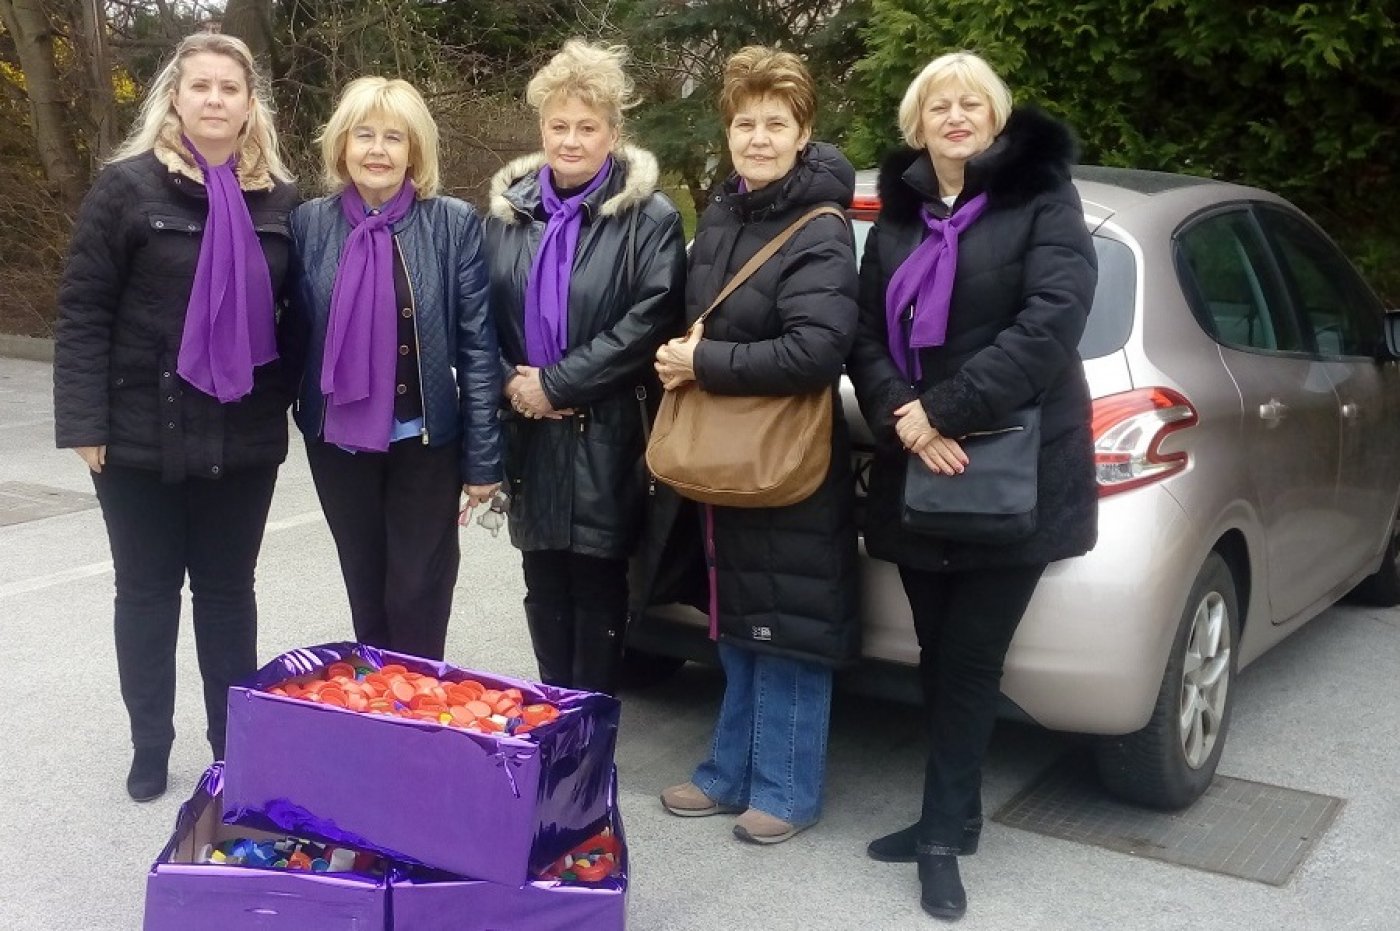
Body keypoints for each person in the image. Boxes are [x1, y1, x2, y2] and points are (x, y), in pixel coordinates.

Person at [845, 51, 1098, 920]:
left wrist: (943, 410)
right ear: (917, 125)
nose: (956, 116)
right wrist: (906, 417)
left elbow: (1051, 322)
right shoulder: (898, 218)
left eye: (972, 104)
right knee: (936, 652)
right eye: (939, 105)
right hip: (920, 463)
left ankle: (940, 841)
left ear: (996, 117)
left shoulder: (1044, 200)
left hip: (1016, 467)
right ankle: (953, 813)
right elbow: (863, 332)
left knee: (971, 659)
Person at [52, 33, 299, 801]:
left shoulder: (282, 202)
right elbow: (83, 308)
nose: (215, 99)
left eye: (230, 88)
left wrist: (286, 405)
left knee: (227, 595)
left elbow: (300, 321)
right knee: (146, 593)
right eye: (201, 86)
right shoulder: (125, 190)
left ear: (250, 105)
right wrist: (84, 421)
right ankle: (150, 745)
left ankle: (232, 749)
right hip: (135, 434)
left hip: (241, 436)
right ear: (175, 97)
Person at [654, 46, 860, 844]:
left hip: (788, 456)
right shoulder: (725, 217)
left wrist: (701, 361)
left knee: (790, 624)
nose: (759, 138)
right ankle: (728, 772)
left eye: (777, 123)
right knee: (739, 618)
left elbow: (817, 350)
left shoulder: (820, 229)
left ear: (804, 133)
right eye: (746, 123)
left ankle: (786, 787)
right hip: (730, 453)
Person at [484, 39, 686, 695]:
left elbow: (650, 320)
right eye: (559, 125)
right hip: (529, 431)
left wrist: (556, 384)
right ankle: (553, 714)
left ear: (613, 133)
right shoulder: (509, 215)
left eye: (587, 127)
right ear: (542, 128)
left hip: (606, 431)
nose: (570, 140)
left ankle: (591, 724)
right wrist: (514, 385)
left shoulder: (649, 218)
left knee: (598, 585)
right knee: (542, 582)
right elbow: (476, 315)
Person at [288, 77, 501, 662]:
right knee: (367, 591)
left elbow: (478, 347)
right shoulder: (308, 224)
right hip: (338, 444)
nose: (377, 150)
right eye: (364, 135)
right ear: (342, 145)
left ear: (415, 151)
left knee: (417, 594)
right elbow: (290, 334)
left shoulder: (453, 223)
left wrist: (484, 459)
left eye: (394, 137)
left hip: (425, 444)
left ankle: (417, 703)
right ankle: (379, 706)